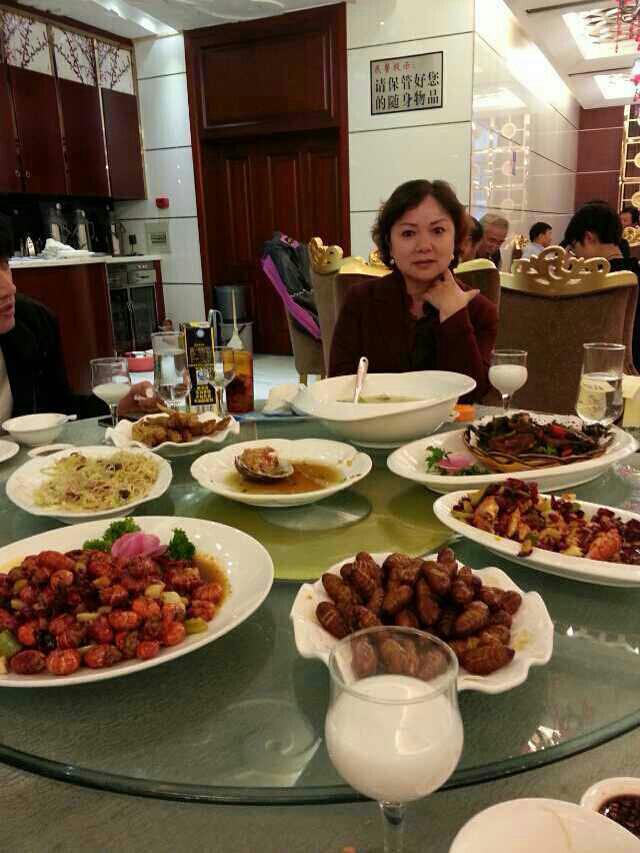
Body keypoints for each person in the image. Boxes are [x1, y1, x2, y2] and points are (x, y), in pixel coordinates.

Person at [329, 180, 498, 400]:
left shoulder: (480, 311)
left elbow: (470, 396)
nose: (424, 246)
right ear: (389, 244)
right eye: (408, 233)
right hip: (375, 420)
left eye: (438, 231)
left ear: (456, 240)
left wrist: (454, 314)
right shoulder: (361, 300)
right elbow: (339, 385)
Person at [0, 219, 158, 420]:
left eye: (5, 264)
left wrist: (118, 404)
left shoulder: (35, 323)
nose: (9, 288)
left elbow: (59, 410)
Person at [564, 201, 640, 366]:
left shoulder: (584, 280)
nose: (576, 256)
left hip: (592, 369)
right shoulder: (635, 273)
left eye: (574, 248)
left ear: (588, 238)